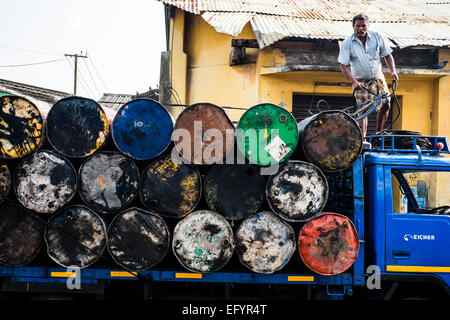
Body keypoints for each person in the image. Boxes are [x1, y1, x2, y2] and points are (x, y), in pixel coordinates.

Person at [338, 13, 399, 137]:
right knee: (363, 111)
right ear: (353, 27)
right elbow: (343, 66)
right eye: (358, 26)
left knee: (386, 103)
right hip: (360, 81)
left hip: (377, 77)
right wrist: (353, 82)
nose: (360, 29)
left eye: (363, 26)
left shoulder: (377, 37)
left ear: (368, 26)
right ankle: (363, 138)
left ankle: (378, 132)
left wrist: (393, 71)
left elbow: (387, 55)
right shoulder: (347, 43)